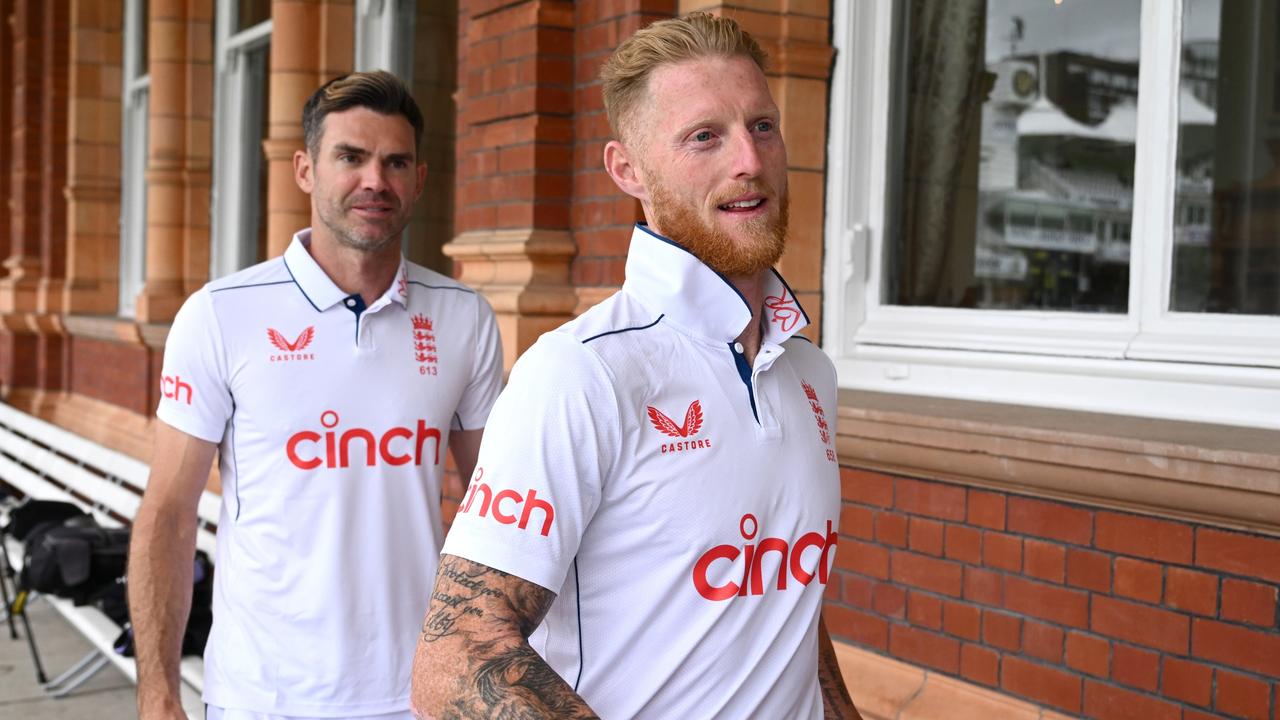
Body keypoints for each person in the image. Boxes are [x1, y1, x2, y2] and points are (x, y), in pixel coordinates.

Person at [410, 13, 862, 720]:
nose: (748, 159)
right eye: (704, 137)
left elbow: (784, 605)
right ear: (628, 170)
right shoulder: (582, 373)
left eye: (763, 126)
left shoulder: (808, 371)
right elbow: (456, 657)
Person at [128, 71, 504, 720]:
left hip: (417, 694)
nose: (374, 181)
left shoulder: (464, 317)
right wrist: (157, 693)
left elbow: (500, 504)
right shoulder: (222, 315)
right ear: (305, 170)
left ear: (419, 179)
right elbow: (169, 513)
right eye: (350, 158)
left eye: (395, 162)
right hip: (264, 697)